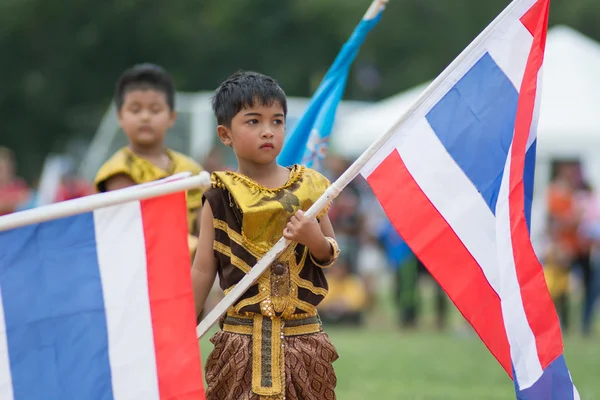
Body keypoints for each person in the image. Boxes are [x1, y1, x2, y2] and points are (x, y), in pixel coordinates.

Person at [192, 71, 340, 400]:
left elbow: (329, 251)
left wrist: (312, 237)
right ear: (225, 134)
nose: (267, 132)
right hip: (240, 341)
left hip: (304, 340)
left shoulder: (310, 187)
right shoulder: (218, 196)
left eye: (277, 121)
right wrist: (186, 323)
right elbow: (203, 268)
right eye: (253, 122)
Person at [94, 63, 204, 253]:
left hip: (192, 270)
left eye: (154, 110)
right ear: (120, 116)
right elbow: (131, 229)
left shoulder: (190, 170)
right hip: (142, 267)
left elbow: (205, 225)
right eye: (135, 110)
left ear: (171, 117)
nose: (145, 117)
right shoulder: (118, 171)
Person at [0, 147, 29, 216]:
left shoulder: (19, 184)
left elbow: (26, 201)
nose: (5, 171)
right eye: (1, 168)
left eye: (7, 167)